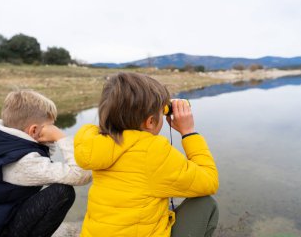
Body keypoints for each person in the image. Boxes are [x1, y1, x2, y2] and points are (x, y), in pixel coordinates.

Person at [74, 72, 219, 237]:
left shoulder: (99, 142)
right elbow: (209, 181)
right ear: (150, 121)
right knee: (204, 203)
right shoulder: (151, 150)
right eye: (161, 112)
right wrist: (188, 132)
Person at [0, 90, 92, 237]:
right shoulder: (23, 162)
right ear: (33, 130)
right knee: (62, 192)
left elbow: (39, 153)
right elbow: (80, 175)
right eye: (50, 126)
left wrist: (44, 139)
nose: (52, 130)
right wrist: (60, 136)